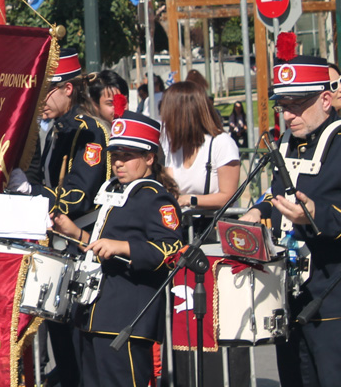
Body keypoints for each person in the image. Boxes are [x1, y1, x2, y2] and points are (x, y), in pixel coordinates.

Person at [241, 55, 341, 386]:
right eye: (283, 105)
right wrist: (259, 211)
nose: (288, 115)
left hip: (334, 292)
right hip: (287, 294)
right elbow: (278, 194)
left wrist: (315, 216)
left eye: (297, 105)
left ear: (325, 100)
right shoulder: (286, 143)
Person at [53, 111, 183, 386]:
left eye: (128, 156)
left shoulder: (155, 197)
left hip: (126, 317)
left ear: (150, 158)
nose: (119, 163)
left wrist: (123, 247)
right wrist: (75, 233)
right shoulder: (113, 190)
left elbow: (171, 249)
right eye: (116, 156)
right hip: (94, 314)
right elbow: (103, 243)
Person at [29, 46, 109, 387]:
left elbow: (77, 196)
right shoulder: (57, 129)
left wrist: (32, 192)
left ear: (68, 88)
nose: (41, 99)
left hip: (79, 245)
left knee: (78, 350)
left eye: (47, 90)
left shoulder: (89, 131)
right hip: (56, 243)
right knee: (61, 345)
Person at [160, 81, 239, 216]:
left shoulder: (221, 143)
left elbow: (228, 197)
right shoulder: (175, 146)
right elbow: (171, 188)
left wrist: (190, 200)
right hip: (184, 224)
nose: (163, 118)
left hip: (214, 224)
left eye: (167, 112)